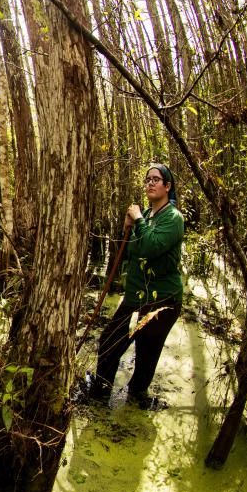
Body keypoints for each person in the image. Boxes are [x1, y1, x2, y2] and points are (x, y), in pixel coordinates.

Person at [90, 163, 184, 409]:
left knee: (146, 352)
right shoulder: (149, 216)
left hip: (163, 300)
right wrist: (127, 227)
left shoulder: (173, 218)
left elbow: (152, 247)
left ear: (167, 186)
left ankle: (136, 397)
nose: (150, 183)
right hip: (136, 295)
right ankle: (99, 391)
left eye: (156, 179)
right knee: (110, 340)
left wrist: (139, 219)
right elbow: (133, 251)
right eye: (148, 179)